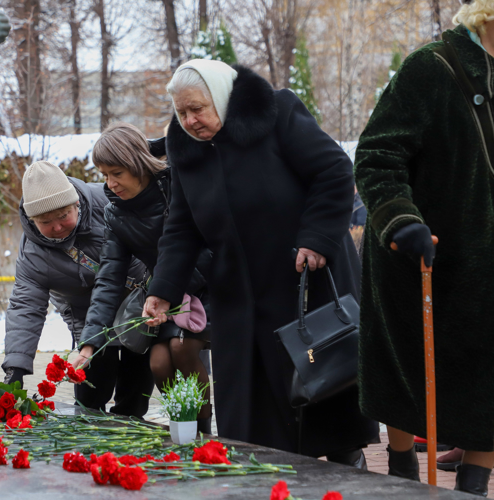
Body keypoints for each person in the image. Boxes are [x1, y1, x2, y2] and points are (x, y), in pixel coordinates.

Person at [141, 59, 379, 467]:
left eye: (197, 108)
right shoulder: (185, 150)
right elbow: (181, 227)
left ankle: (346, 463)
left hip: (305, 275)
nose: (190, 120)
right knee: (255, 409)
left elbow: (334, 169)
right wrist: (162, 291)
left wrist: (316, 238)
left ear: (221, 96)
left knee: (320, 381)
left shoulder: (277, 112)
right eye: (181, 112)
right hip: (240, 291)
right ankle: (267, 475)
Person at [354, 1, 494, 495]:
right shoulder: (433, 66)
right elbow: (378, 154)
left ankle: (474, 487)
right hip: (420, 255)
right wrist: (400, 220)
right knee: (406, 377)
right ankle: (402, 475)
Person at [71, 123, 214, 433]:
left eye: (116, 173)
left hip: (216, 289)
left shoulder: (179, 186)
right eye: (104, 175)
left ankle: (203, 434)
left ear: (137, 164)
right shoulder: (116, 214)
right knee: (159, 363)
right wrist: (89, 345)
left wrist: (169, 287)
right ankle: (184, 431)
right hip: (171, 298)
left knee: (179, 348)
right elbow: (108, 280)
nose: (110, 184)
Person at [1, 160, 151, 418]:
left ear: (76, 204)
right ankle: (92, 445)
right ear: (31, 219)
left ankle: (126, 444)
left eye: (63, 216)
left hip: (136, 307)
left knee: (136, 384)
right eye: (46, 222)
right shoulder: (32, 254)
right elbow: (25, 307)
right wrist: (15, 369)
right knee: (91, 390)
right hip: (85, 316)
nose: (57, 227)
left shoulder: (110, 202)